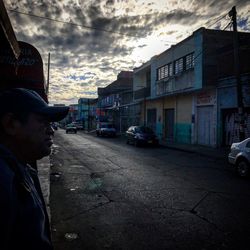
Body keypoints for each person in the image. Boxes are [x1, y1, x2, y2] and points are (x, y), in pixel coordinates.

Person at [0, 88, 69, 250]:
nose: (51, 130)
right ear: (11, 124)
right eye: (43, 121)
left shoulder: (22, 169)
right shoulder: (4, 181)